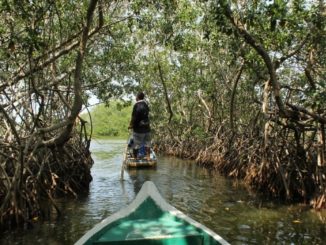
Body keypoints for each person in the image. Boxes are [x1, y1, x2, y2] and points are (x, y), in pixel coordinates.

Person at [128, 92, 151, 160]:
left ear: (138, 97)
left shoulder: (137, 105)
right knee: (148, 144)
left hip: (138, 129)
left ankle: (135, 158)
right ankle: (148, 157)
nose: (135, 97)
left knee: (136, 145)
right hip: (147, 128)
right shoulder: (146, 105)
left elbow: (133, 117)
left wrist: (130, 125)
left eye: (136, 96)